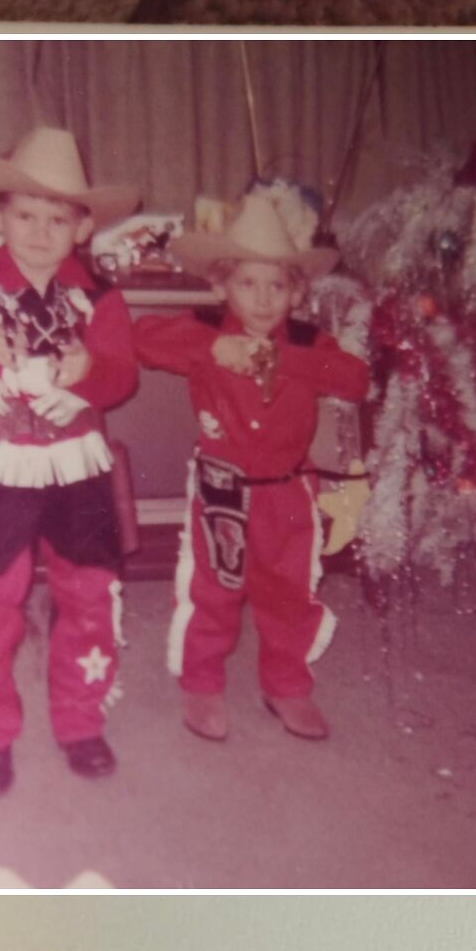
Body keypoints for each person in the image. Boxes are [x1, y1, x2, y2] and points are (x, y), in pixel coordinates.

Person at [0, 122, 141, 791]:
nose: (41, 231)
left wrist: (91, 370)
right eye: (25, 215)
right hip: (0, 466)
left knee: (91, 591)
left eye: (58, 218)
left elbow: (121, 377)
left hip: (77, 465)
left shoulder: (101, 299)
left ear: (82, 228)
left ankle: (80, 718)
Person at [135, 188, 369, 744]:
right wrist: (213, 350)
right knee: (213, 587)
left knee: (289, 592)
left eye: (276, 286)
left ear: (297, 292)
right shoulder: (207, 330)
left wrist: (285, 358)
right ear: (222, 286)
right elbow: (141, 338)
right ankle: (201, 681)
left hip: (288, 491)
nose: (263, 299)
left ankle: (286, 684)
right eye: (247, 284)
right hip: (222, 486)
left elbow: (354, 379)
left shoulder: (309, 341)